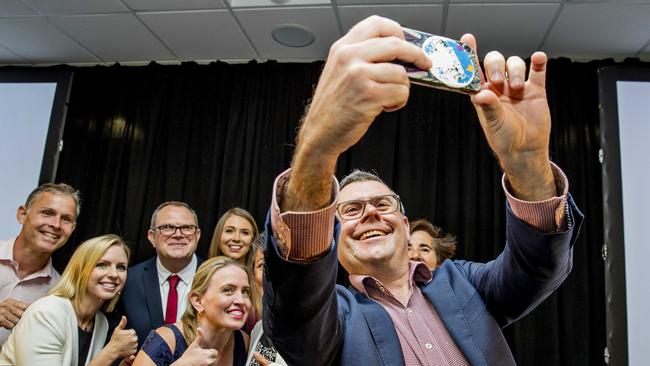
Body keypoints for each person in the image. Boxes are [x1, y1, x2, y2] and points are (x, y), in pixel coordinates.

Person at [262, 15, 584, 366]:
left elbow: (539, 268)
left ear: (403, 222)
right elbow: (295, 307)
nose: (371, 212)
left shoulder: (463, 283)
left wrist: (528, 163)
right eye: (351, 210)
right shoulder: (334, 318)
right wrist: (317, 150)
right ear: (333, 238)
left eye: (383, 203)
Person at [0, 234, 138, 365]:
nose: (114, 274)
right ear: (80, 269)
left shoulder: (101, 323)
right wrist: (111, 352)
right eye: (101, 265)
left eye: (121, 267)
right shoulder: (47, 314)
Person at [132, 256, 251, 366]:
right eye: (228, 290)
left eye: (245, 292)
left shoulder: (242, 341)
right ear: (198, 301)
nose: (241, 300)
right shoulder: (167, 340)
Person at [0, 183, 80, 345]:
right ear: (23, 215)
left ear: (72, 228)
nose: (56, 225)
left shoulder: (59, 293)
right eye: (47, 213)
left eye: (66, 219)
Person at [117, 201, 203, 347]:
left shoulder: (216, 278)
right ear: (151, 236)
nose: (178, 235)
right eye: (167, 228)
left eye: (187, 228)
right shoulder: (128, 280)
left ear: (197, 234)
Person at [208, 208, 260, 333]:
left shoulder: (260, 280)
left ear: (253, 240)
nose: (236, 238)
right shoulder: (205, 277)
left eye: (245, 233)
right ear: (218, 236)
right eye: (229, 231)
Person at [245, 234, 286, 366]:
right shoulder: (258, 328)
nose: (270, 272)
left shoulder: (312, 331)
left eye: (279, 264)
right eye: (262, 265)